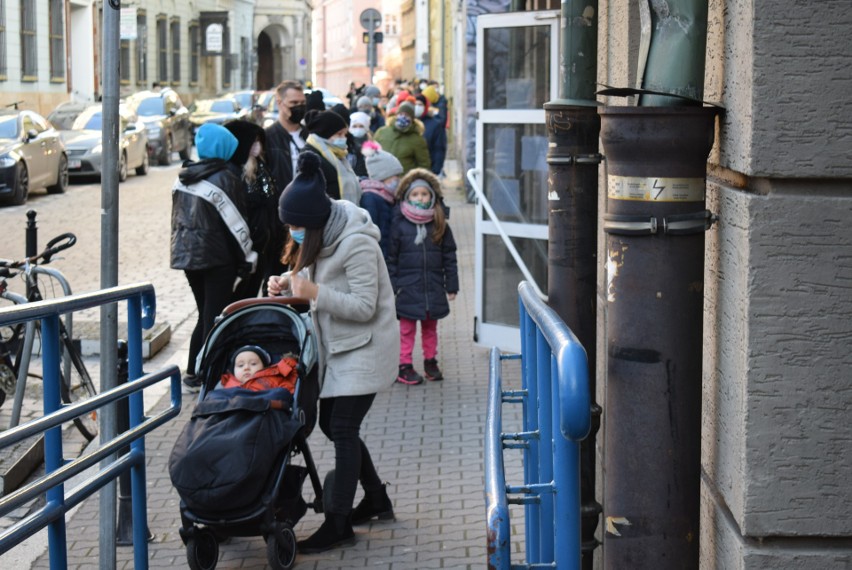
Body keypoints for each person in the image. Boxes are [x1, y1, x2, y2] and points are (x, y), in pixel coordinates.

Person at [268, 151, 399, 553]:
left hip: (366, 348)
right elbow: (309, 277)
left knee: (341, 429)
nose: (293, 231)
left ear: (317, 222)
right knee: (332, 426)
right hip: (339, 351)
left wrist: (315, 294)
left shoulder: (356, 244)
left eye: (296, 225)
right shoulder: (319, 237)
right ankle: (376, 499)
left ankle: (338, 522)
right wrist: (286, 284)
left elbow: (363, 305)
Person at [170, 123, 256, 391]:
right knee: (215, 318)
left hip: (188, 258)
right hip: (218, 258)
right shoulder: (226, 177)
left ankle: (194, 372)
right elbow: (237, 224)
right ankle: (209, 375)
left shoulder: (184, 176)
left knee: (205, 314)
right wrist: (248, 260)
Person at [386, 168, 458, 385]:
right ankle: (404, 365)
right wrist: (393, 286)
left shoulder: (440, 224)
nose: (420, 198)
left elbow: (449, 257)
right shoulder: (399, 225)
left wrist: (451, 285)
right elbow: (392, 258)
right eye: (415, 194)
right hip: (407, 288)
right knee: (406, 330)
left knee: (430, 328)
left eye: (424, 194)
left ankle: (430, 361)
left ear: (432, 196)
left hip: (433, 287)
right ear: (407, 197)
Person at [225, 120, 279, 299]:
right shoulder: (233, 173)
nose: (257, 146)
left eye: (259, 141)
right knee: (240, 298)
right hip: (246, 246)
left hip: (265, 242)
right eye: (252, 141)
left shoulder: (261, 166)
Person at [264, 80, 308, 291]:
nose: (299, 107)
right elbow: (262, 181)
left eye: (302, 102)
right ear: (280, 103)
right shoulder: (267, 138)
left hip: (308, 220)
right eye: (293, 103)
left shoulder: (310, 136)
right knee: (277, 281)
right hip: (278, 221)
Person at [302, 109, 361, 203]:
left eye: (345, 134)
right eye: (339, 134)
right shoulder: (312, 158)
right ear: (325, 133)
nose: (344, 138)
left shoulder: (337, 154)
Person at [359, 141, 402, 259]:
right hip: (379, 256)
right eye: (395, 176)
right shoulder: (371, 198)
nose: (398, 180)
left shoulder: (387, 196)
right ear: (383, 176)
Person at [374, 101, 431, 175]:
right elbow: (372, 154)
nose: (403, 117)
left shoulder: (417, 140)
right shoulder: (382, 132)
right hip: (381, 178)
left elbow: (424, 165)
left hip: (404, 182)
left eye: (407, 115)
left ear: (412, 118)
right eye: (400, 114)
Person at [219, 345, 300, 393]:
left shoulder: (273, 379)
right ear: (233, 370)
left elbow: (288, 392)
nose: (246, 368)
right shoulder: (226, 384)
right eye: (240, 365)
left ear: (264, 367)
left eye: (253, 364)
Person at [414, 93, 447, 176]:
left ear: (425, 107)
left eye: (420, 104)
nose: (417, 107)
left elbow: (439, 148)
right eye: (415, 104)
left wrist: (436, 170)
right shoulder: (408, 124)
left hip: (428, 170)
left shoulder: (434, 125)